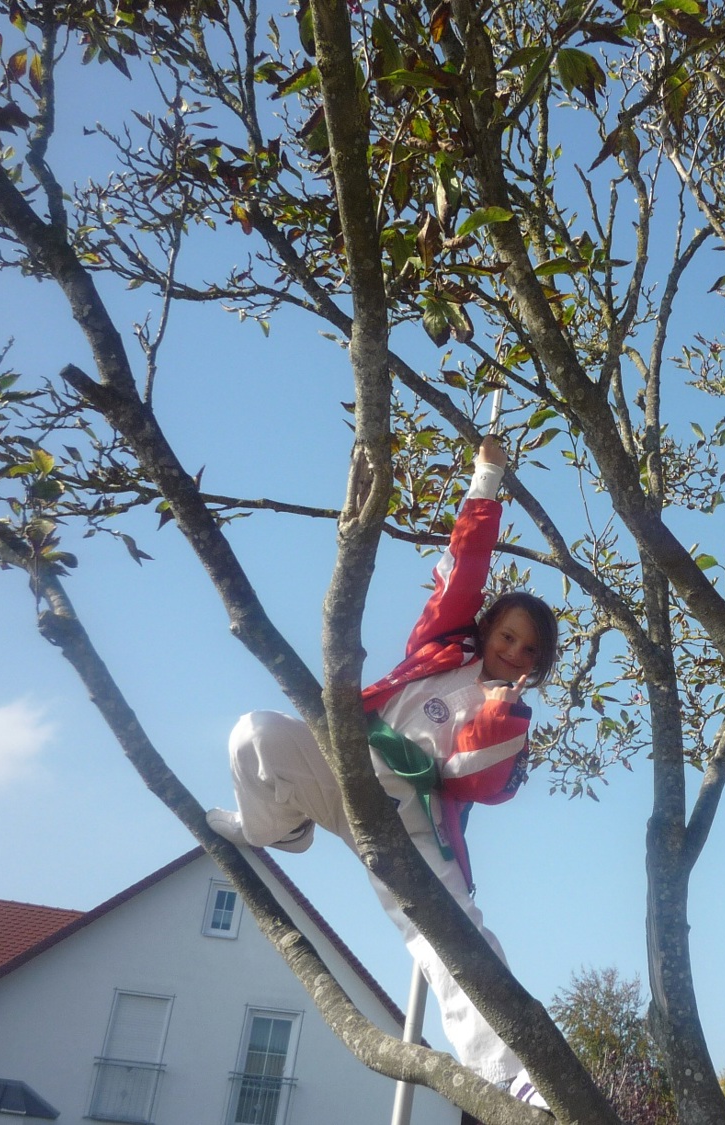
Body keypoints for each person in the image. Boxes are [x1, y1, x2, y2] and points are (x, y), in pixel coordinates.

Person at [206, 436, 557, 1108]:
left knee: (452, 939)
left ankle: (514, 1071)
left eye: (528, 649)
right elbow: (464, 568)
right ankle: (278, 829)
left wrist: (497, 715)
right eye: (507, 635)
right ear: (487, 629)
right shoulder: (440, 646)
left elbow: (472, 780)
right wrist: (487, 479)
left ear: (537, 664)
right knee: (254, 734)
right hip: (343, 765)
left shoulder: (510, 718)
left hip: (407, 825)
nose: (513, 651)